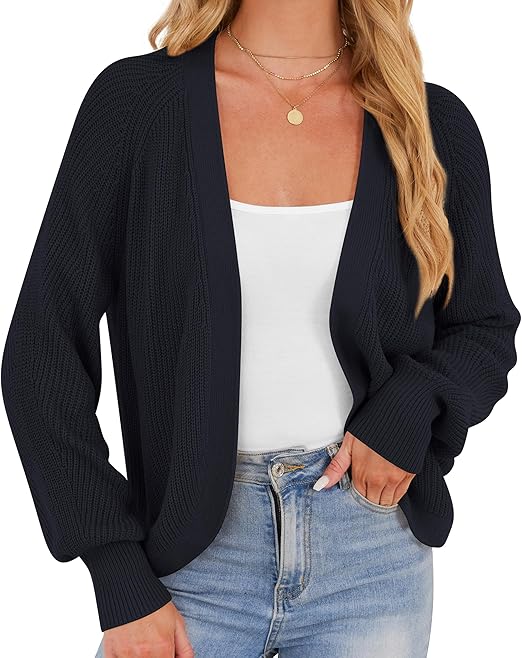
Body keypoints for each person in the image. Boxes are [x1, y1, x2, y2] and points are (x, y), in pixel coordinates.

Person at [2, 1, 520, 657]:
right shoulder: (136, 107)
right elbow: (42, 352)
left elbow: (483, 326)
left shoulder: (428, 121)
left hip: (371, 556)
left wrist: (414, 405)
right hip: (185, 564)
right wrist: (116, 571)